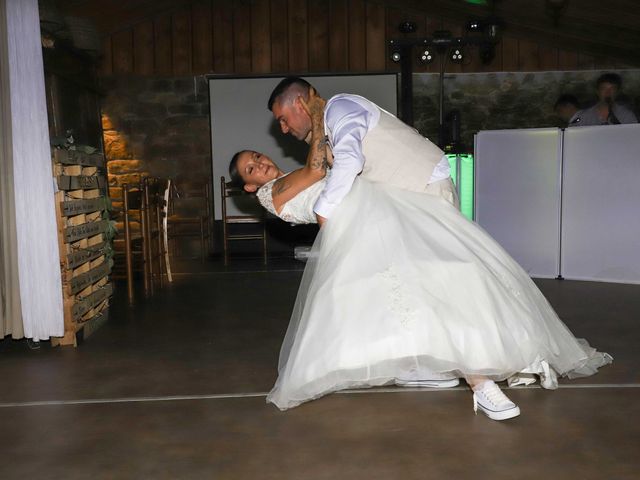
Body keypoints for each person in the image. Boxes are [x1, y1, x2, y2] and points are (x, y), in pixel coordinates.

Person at [231, 86, 613, 420]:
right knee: (432, 287)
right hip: (368, 224)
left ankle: (459, 368)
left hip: (384, 214)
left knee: (429, 290)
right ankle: (478, 379)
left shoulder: (309, 151)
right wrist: (315, 116)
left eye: (258, 156)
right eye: (252, 168)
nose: (262, 160)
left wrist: (319, 122)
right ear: (250, 188)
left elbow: (335, 169)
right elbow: (318, 172)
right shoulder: (274, 193)